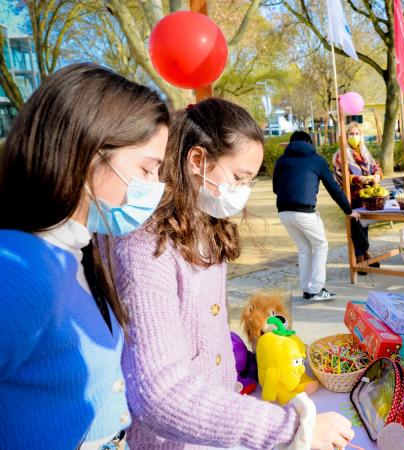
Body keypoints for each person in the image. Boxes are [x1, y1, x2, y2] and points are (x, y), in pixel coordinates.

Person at [111, 99, 355, 449]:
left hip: (216, 427)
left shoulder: (204, 224)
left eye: (250, 181)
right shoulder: (146, 245)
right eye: (238, 177)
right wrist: (290, 428)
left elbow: (204, 336)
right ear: (198, 160)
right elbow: (159, 390)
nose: (242, 191)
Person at [0, 63, 169, 448]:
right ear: (90, 152)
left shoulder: (79, 249)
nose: (156, 188)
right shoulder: (17, 269)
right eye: (147, 169)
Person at [273, 131, 360, 301]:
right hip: (304, 212)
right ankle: (317, 289)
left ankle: (307, 289)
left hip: (284, 212)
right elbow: (334, 188)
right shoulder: (316, 160)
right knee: (321, 245)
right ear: (310, 143)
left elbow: (276, 189)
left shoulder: (281, 161)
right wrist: (349, 211)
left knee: (304, 248)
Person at [333, 122, 383, 273]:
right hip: (352, 196)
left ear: (362, 136)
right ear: (346, 136)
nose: (354, 137)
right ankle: (360, 256)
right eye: (351, 134)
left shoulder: (365, 152)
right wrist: (357, 179)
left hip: (367, 197)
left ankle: (365, 252)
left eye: (357, 134)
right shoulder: (341, 154)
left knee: (364, 225)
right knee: (356, 225)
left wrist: (377, 176)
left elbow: (376, 167)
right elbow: (339, 174)